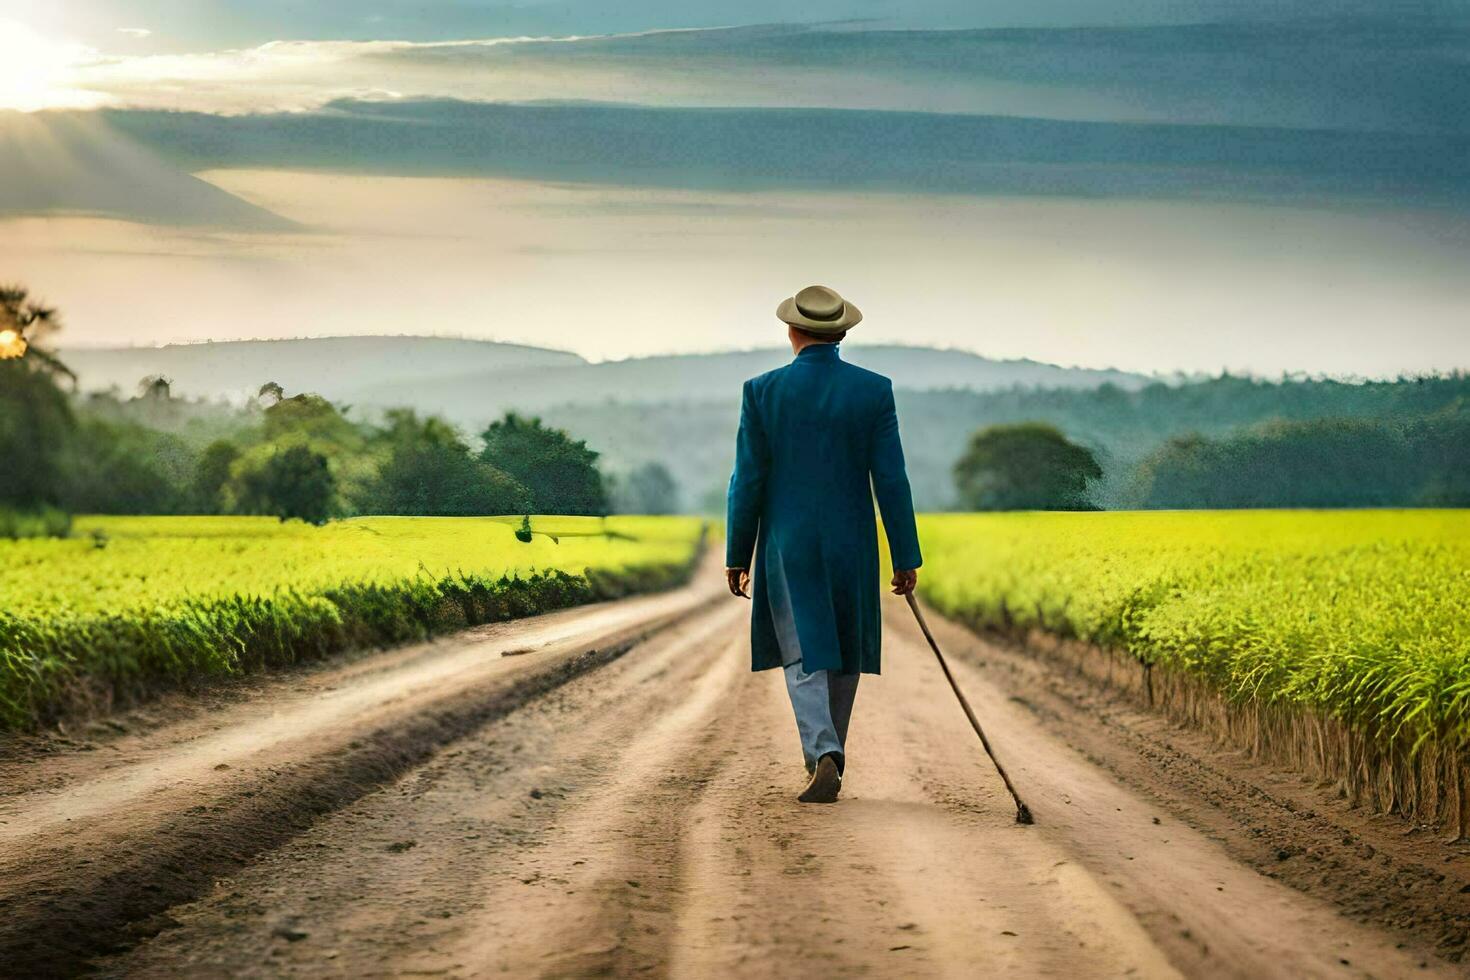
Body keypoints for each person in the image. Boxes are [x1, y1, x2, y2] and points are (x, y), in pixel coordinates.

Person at [725, 284, 922, 804]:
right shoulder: (874, 391)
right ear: (841, 335)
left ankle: (822, 751)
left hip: (788, 544)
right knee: (844, 648)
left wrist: (736, 553)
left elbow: (747, 480)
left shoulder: (761, 391)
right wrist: (905, 555)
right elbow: (892, 479)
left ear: (791, 331)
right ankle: (830, 747)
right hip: (852, 541)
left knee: (801, 648)